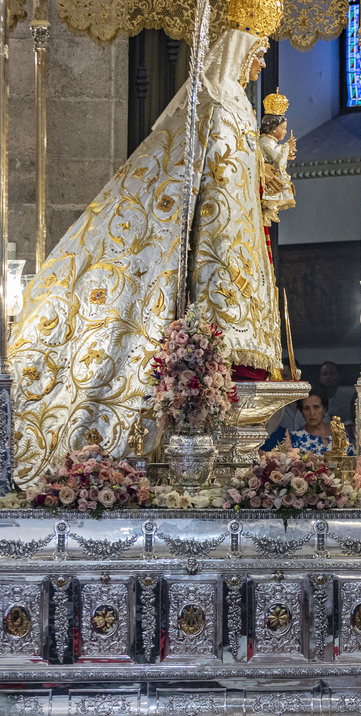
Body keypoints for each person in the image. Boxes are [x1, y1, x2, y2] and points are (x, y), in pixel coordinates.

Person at [10, 0, 286, 484]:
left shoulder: (234, 105)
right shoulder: (217, 103)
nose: (260, 63)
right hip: (211, 256)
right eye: (258, 51)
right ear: (239, 47)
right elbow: (213, 198)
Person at [262, 391, 354, 455]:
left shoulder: (340, 434)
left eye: (316, 407)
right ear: (301, 412)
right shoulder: (294, 438)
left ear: (324, 409)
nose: (312, 413)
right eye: (306, 408)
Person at [258, 88, 297, 223]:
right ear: (274, 128)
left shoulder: (271, 141)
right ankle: (269, 210)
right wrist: (287, 147)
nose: (285, 131)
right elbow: (276, 158)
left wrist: (286, 153)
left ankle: (271, 210)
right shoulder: (265, 141)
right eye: (283, 128)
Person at [318, 361, 357, 427]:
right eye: (325, 374)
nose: (328, 377)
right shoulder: (314, 399)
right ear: (320, 378)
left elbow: (349, 421)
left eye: (332, 374)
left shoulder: (347, 399)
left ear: (338, 377)